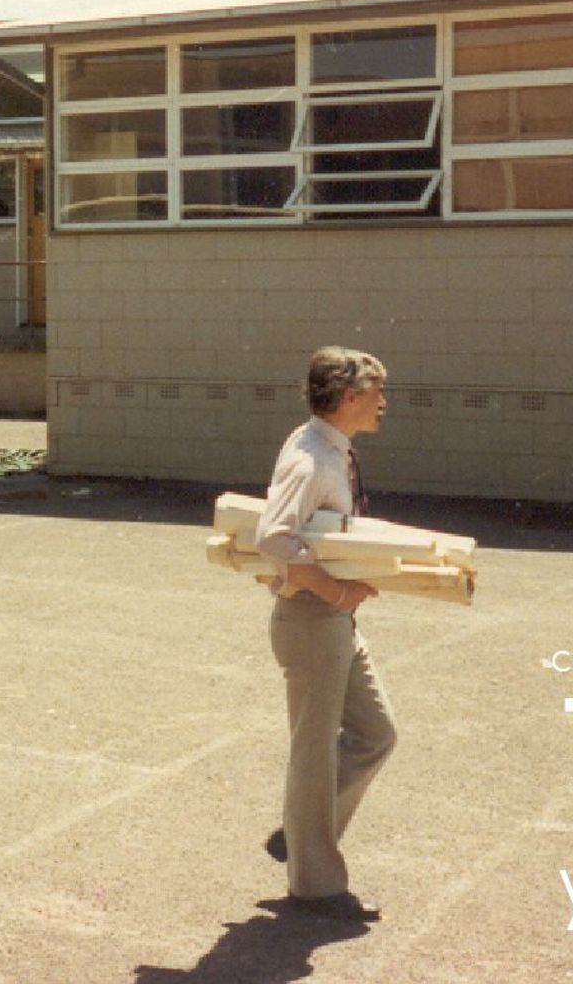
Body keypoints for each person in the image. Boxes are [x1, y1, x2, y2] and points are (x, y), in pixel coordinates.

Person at [254, 346, 398, 923]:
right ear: (348, 397)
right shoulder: (311, 458)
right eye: (377, 392)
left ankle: (301, 831)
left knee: (376, 733)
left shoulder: (329, 447)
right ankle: (315, 887)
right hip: (313, 620)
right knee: (314, 753)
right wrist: (337, 592)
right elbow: (273, 538)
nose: (384, 403)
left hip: (333, 620)